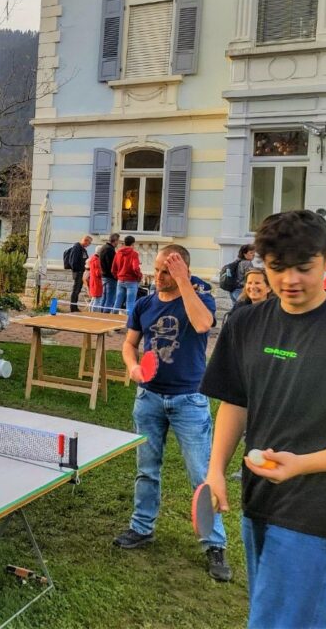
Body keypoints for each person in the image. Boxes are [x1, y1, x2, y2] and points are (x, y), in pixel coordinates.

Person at [201, 210, 326, 628]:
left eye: (304, 267)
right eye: (278, 268)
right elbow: (235, 402)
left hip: (322, 510)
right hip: (259, 502)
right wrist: (215, 471)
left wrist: (302, 465)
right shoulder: (248, 322)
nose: (290, 280)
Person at [113, 245, 231, 582]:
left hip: (189, 400)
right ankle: (142, 527)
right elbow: (129, 343)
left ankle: (214, 544)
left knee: (201, 475)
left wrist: (184, 283)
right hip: (149, 398)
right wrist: (133, 366)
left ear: (183, 270)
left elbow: (203, 324)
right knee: (146, 469)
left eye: (168, 270)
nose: (159, 276)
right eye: (159, 269)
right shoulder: (144, 304)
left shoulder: (200, 298)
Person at [112, 235, 142, 317]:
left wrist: (117, 276)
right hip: (131, 280)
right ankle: (130, 323)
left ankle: (112, 319)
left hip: (120, 279)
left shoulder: (118, 252)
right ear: (133, 243)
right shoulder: (134, 254)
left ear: (124, 243)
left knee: (117, 301)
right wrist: (139, 276)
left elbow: (113, 268)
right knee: (130, 303)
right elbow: (135, 268)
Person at [62, 235, 92, 312]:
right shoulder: (77, 248)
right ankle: (73, 308)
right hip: (78, 272)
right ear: (85, 241)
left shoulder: (82, 249)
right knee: (76, 290)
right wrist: (79, 270)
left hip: (81, 272)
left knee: (77, 290)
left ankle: (75, 307)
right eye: (89, 243)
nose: (89, 245)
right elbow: (73, 261)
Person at [98, 233, 120, 313]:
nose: (118, 243)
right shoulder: (110, 249)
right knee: (110, 298)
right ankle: (106, 315)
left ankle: (101, 314)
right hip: (110, 277)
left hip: (104, 275)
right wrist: (115, 275)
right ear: (115, 241)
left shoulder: (103, 247)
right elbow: (112, 265)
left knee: (104, 297)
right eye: (118, 241)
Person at [87, 245, 104, 311]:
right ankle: (94, 314)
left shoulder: (92, 258)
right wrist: (103, 272)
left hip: (93, 281)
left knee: (94, 298)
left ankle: (90, 312)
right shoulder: (96, 260)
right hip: (96, 282)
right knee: (97, 299)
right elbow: (98, 273)